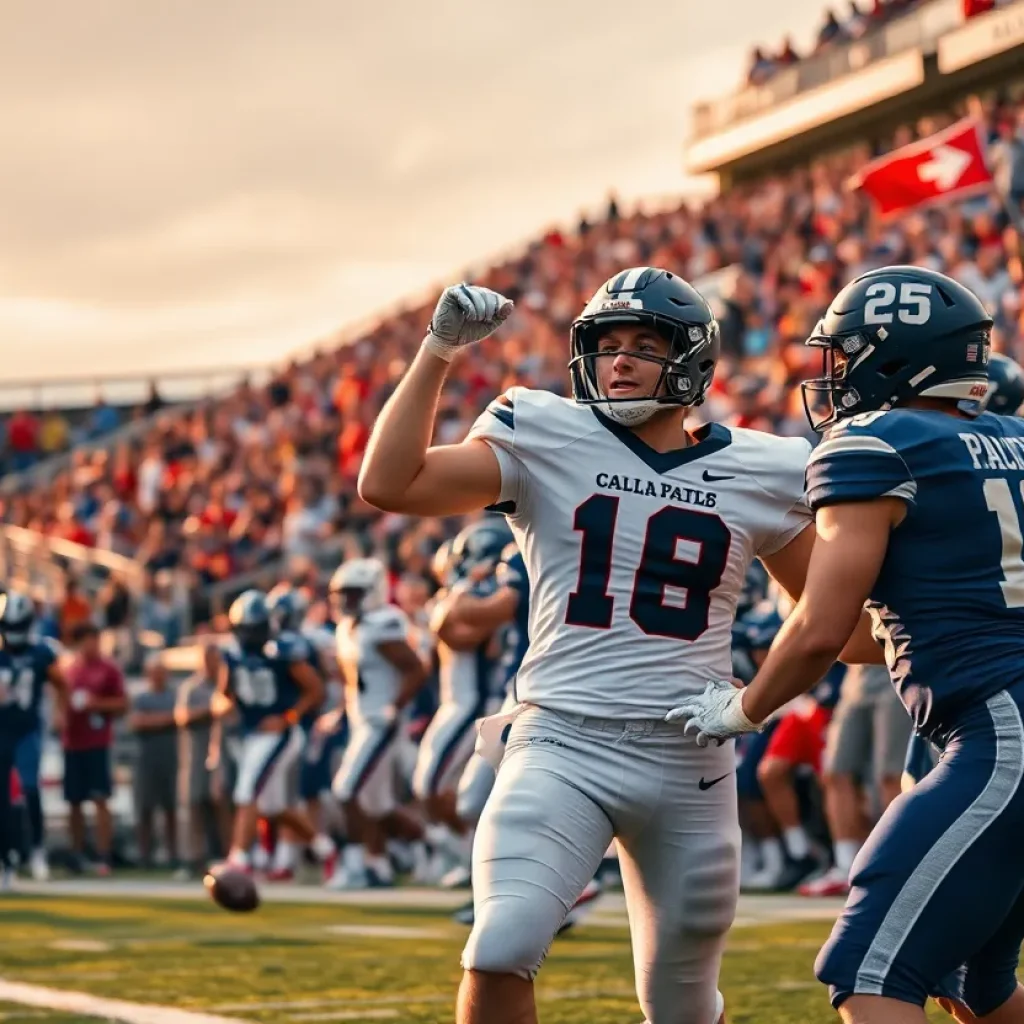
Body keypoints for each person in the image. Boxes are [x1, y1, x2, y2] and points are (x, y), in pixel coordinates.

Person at [357, 270, 875, 1024]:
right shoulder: (542, 431)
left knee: (683, 1004)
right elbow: (390, 483)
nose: (620, 361)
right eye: (607, 346)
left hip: (689, 750)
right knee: (501, 942)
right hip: (560, 738)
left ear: (693, 360)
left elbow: (841, 628)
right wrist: (438, 351)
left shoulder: (764, 467)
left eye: (644, 345)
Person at [668, 265, 1024, 1024]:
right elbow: (868, 641)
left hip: (1002, 730)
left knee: (870, 968)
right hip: (999, 719)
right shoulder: (1014, 438)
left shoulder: (877, 442)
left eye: (849, 352)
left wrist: (744, 707)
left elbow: (822, 629)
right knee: (979, 990)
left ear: (895, 356)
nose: (834, 374)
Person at [329, 558, 428, 889]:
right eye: (343, 594)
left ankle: (358, 863)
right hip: (362, 720)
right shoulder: (348, 628)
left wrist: (393, 707)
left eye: (354, 594)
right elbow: (352, 682)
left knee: (346, 789)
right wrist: (342, 714)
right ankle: (413, 850)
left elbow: (416, 669)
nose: (346, 601)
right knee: (377, 806)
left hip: (380, 723)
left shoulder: (383, 623)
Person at [209, 590, 324, 874]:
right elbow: (223, 695)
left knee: (247, 790)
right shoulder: (231, 654)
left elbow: (315, 690)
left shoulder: (283, 651)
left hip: (281, 734)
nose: (250, 635)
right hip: (253, 735)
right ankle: (326, 849)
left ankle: (239, 859)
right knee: (273, 807)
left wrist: (288, 717)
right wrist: (223, 706)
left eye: (255, 629)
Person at [0, 592, 67, 885]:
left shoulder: (42, 651)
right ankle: (5, 861)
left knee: (31, 790)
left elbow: (61, 683)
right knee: (1, 797)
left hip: (27, 730)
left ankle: (37, 851)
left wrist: (60, 712)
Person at [62, 621, 127, 875]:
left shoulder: (109, 669)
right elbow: (61, 700)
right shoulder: (70, 669)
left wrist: (95, 703)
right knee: (74, 801)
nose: (92, 645)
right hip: (73, 741)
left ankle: (103, 855)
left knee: (101, 799)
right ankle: (76, 853)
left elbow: (122, 704)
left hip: (97, 741)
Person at [130, 653, 179, 868]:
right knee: (145, 808)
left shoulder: (174, 696)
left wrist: (154, 720)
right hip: (147, 759)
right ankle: (144, 854)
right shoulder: (142, 698)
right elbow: (137, 722)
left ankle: (173, 854)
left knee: (171, 808)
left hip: (171, 757)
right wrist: (167, 719)